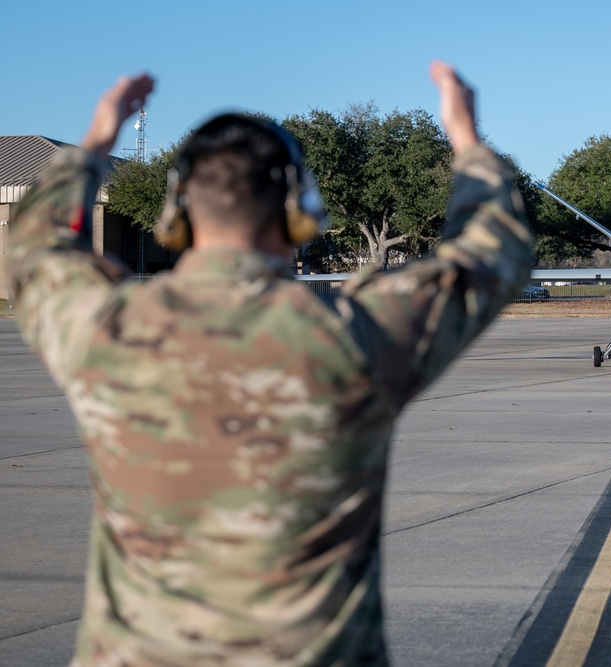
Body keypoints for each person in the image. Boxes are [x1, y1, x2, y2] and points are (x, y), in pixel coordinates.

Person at [7, 62, 533, 666]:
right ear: (298, 209)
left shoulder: (106, 330)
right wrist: (465, 138)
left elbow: (32, 252)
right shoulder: (354, 338)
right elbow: (495, 251)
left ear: (177, 213)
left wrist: (96, 142)